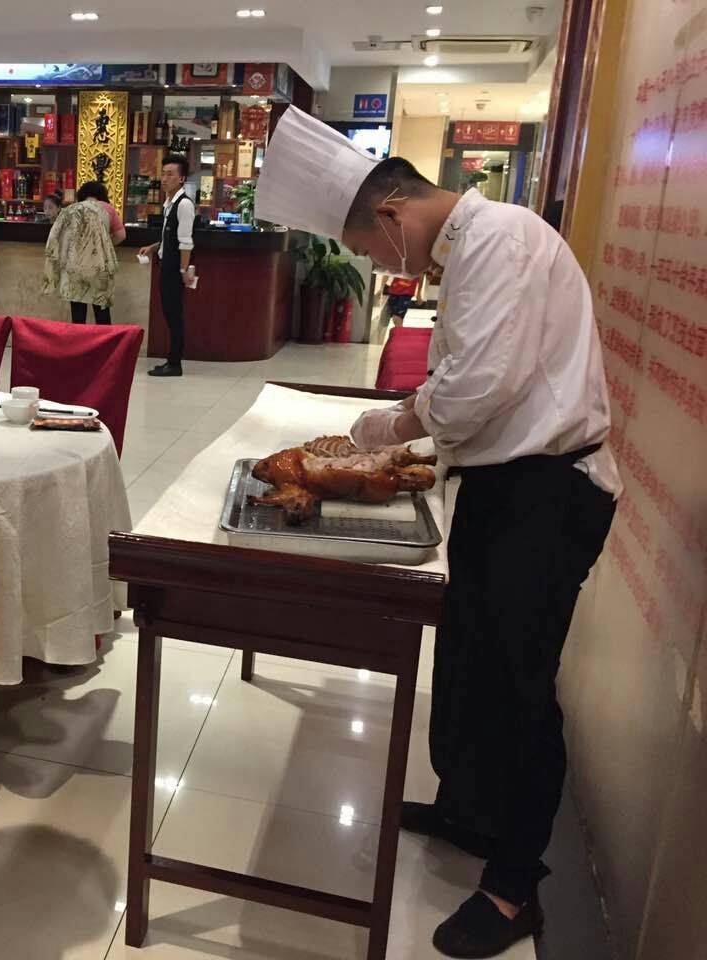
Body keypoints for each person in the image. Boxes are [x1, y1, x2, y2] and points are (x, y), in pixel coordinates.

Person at [257, 105, 619, 959]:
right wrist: (413, 425)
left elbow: (473, 390)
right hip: (502, 486)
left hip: (548, 493)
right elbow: (467, 386)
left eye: (365, 247)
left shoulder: (501, 240)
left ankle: (513, 887)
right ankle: (471, 813)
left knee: (518, 685)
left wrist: (389, 425)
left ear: (391, 215)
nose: (375, 265)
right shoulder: (471, 249)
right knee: (466, 661)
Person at [137, 155, 195, 377]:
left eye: (170, 174)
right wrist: (153, 248)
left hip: (174, 270)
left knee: (174, 316)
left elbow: (186, 242)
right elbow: (168, 237)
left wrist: (183, 271)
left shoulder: (184, 205)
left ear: (181, 178)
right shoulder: (168, 205)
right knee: (170, 314)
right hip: (166, 266)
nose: (164, 178)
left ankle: (175, 363)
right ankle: (171, 360)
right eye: (163, 173)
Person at [43, 180, 124, 325]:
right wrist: (104, 246)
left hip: (75, 266)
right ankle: (105, 339)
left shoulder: (71, 210)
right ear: (102, 195)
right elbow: (121, 236)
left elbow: (57, 238)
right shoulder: (108, 209)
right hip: (99, 267)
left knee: (78, 314)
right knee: (102, 313)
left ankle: (79, 340)